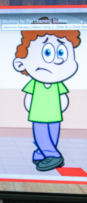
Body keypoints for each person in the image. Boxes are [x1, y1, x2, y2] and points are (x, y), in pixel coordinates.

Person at [13, 29, 80, 172]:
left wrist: (62, 107)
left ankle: (45, 154)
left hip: (55, 114)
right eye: (48, 53)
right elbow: (28, 97)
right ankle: (51, 155)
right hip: (38, 115)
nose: (58, 60)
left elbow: (63, 97)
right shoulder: (35, 82)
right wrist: (29, 108)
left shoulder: (57, 83)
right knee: (41, 134)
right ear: (22, 63)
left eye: (62, 53)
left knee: (54, 135)